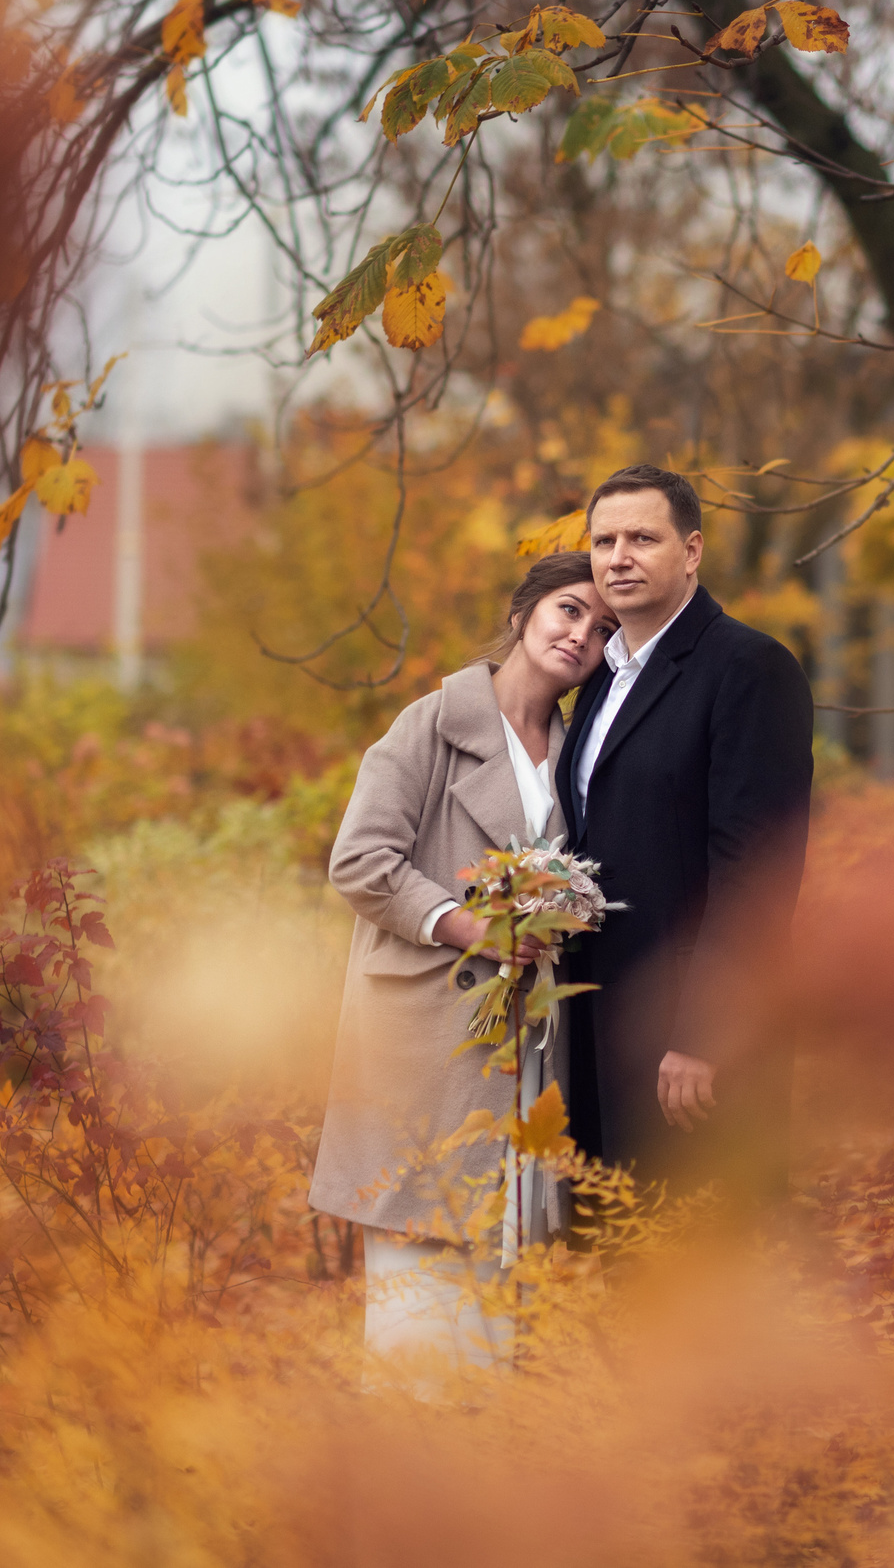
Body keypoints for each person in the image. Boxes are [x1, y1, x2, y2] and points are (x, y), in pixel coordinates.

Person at [307, 552, 616, 1369]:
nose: (582, 634)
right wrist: (472, 927)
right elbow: (361, 862)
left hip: (525, 1048)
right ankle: (404, 1475)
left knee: (499, 1283)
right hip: (428, 1038)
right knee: (419, 1284)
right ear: (524, 614)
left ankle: (476, 1477)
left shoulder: (581, 749)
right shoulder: (431, 724)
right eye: (568, 610)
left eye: (603, 628)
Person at [555, 465, 815, 1187]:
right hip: (601, 1022)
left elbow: (755, 872)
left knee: (697, 1269)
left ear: (693, 550)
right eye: (604, 540)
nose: (618, 556)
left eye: (643, 537)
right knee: (616, 1268)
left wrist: (703, 1035)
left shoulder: (750, 667)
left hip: (690, 1043)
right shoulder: (601, 676)